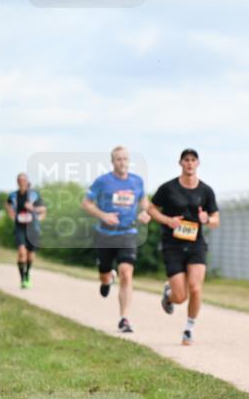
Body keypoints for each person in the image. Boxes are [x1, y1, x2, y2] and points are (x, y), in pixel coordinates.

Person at [148, 149, 220, 346]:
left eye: (193, 160)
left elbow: (215, 220)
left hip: (196, 243)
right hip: (172, 245)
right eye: (186, 160)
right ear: (180, 163)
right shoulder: (168, 188)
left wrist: (208, 219)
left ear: (198, 164)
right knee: (180, 296)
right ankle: (169, 296)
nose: (189, 163)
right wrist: (167, 220)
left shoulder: (206, 191)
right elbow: (151, 208)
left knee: (196, 288)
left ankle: (189, 329)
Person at [81, 147, 151, 331]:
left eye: (125, 159)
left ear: (129, 161)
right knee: (104, 273)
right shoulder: (103, 181)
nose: (122, 162)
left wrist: (145, 212)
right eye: (119, 159)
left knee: (126, 274)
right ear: (113, 162)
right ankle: (107, 279)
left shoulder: (137, 181)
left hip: (128, 233)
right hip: (105, 234)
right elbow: (86, 203)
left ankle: (124, 318)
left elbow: (144, 201)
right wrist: (103, 215)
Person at [5, 173, 47, 288]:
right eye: (20, 180)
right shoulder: (13, 195)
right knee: (22, 252)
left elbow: (43, 209)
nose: (22, 182)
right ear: (17, 182)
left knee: (30, 254)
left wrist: (32, 209)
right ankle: (23, 279)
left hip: (33, 228)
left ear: (27, 181)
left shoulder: (34, 195)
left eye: (24, 180)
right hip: (20, 228)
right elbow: (8, 205)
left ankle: (28, 274)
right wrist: (12, 215)